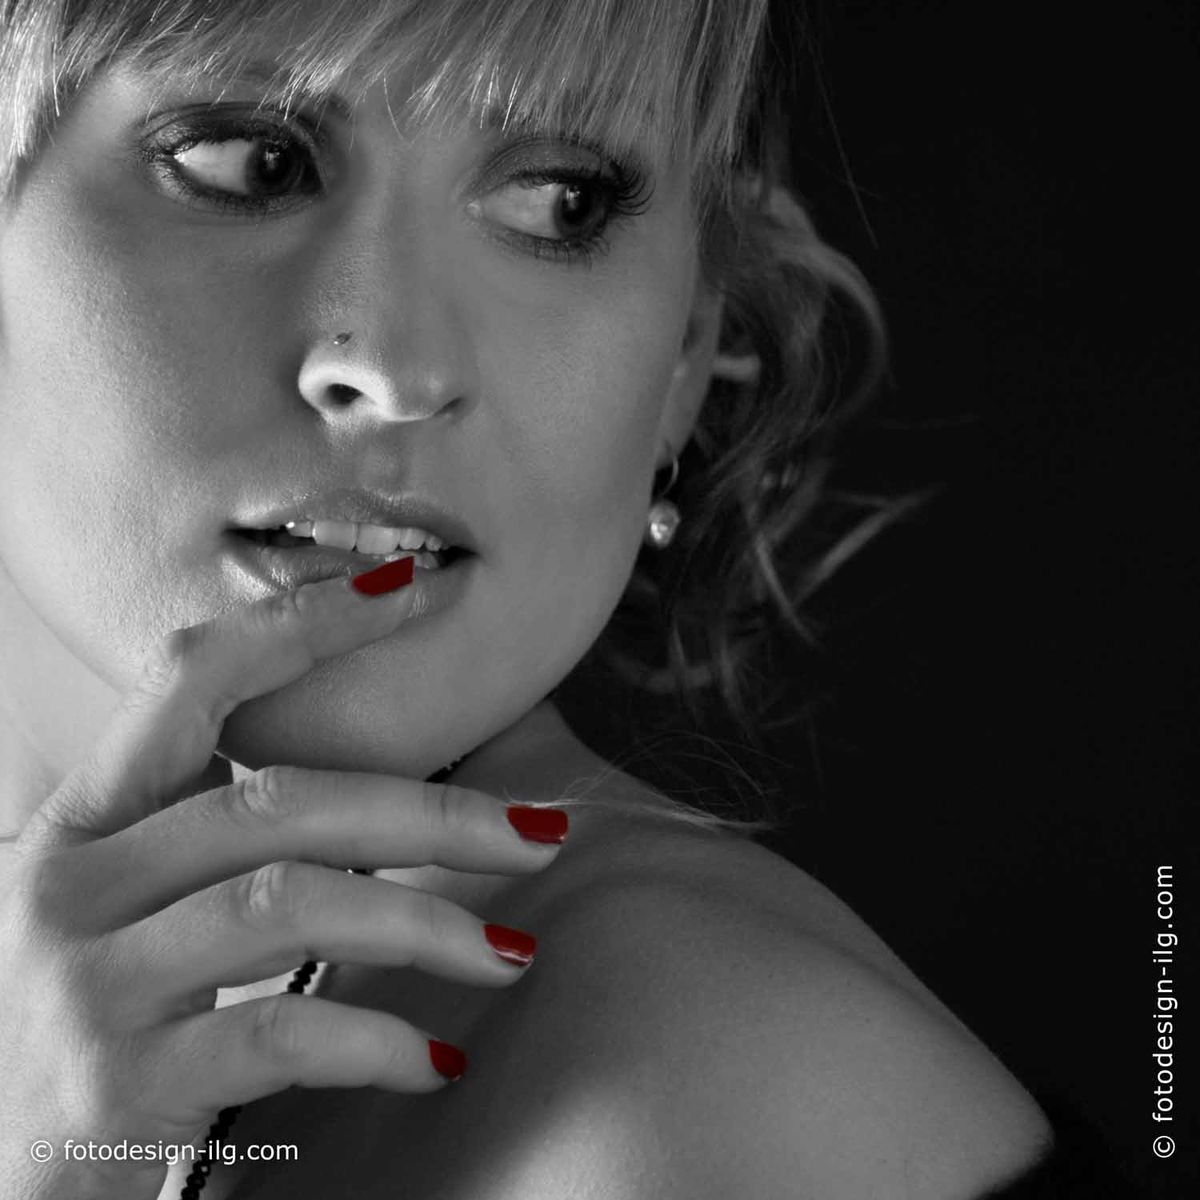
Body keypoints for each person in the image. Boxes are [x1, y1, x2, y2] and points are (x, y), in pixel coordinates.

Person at [0, 2, 1062, 1197]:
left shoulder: (714, 1089)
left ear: (684, 356)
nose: (398, 370)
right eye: (255, 163)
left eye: (560, 201)